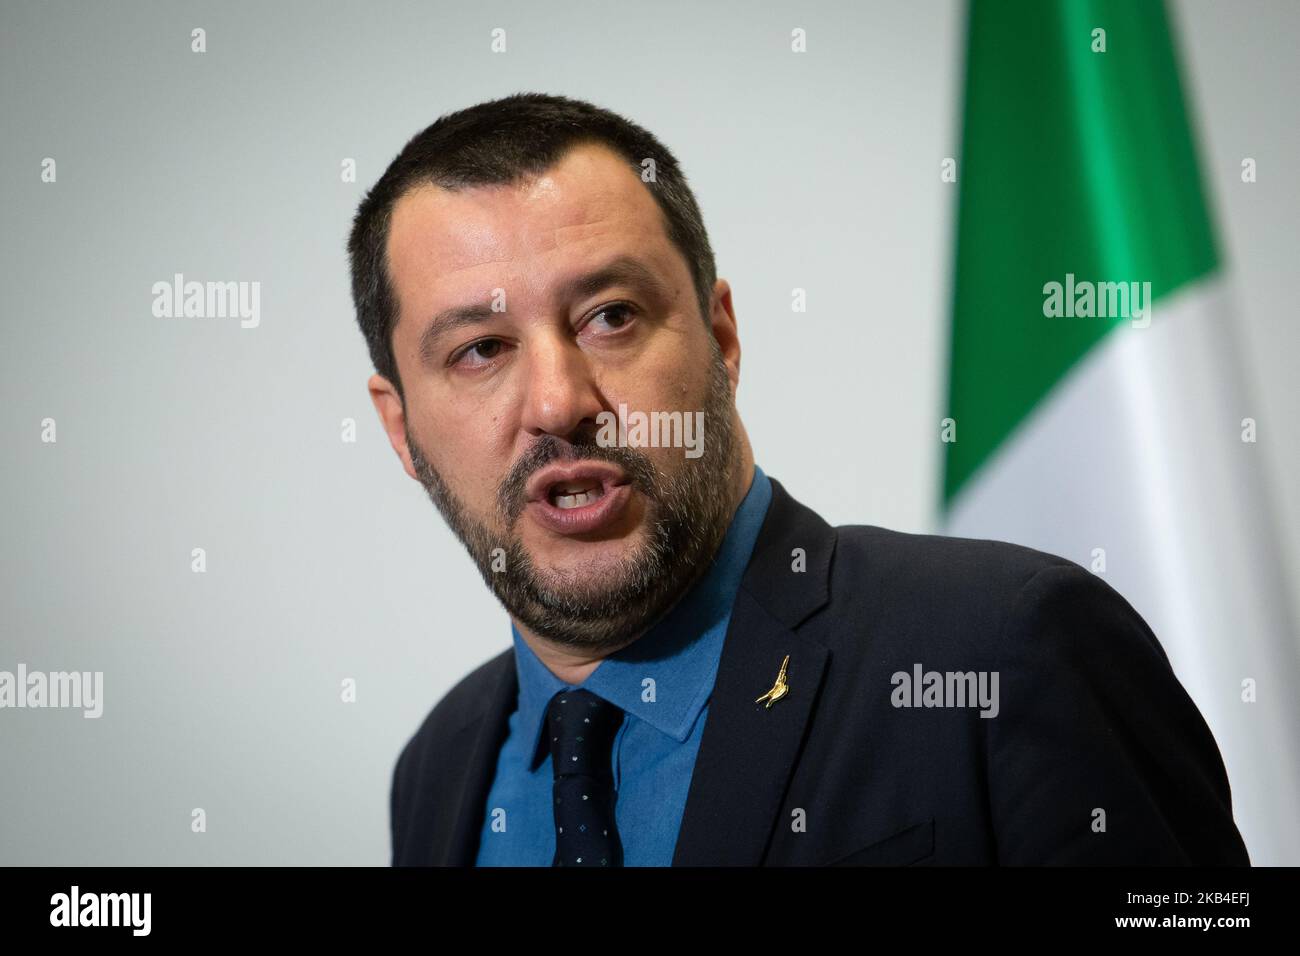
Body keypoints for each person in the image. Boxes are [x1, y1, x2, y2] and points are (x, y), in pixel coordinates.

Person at [347, 92, 1250, 866]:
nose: (558, 402)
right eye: (479, 351)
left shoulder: (1007, 650)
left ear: (722, 339)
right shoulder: (438, 771)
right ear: (403, 430)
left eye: (611, 316)